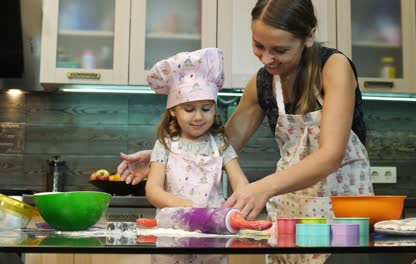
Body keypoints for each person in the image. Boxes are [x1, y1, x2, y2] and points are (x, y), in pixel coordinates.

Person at [118, 0, 373, 260]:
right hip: (290, 211)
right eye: (258, 45)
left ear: (309, 36)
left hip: (344, 212)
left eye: (279, 49)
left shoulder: (333, 67)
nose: (266, 58)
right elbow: (224, 144)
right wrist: (167, 155)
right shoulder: (262, 82)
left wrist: (262, 188)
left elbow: (330, 155)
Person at [144, 48, 249, 263]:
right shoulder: (164, 145)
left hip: (213, 237)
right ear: (173, 110)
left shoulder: (220, 144)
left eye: (207, 108)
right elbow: (152, 189)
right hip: (173, 234)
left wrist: (230, 211)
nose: (199, 117)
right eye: (189, 109)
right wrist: (183, 206)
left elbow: (241, 184)